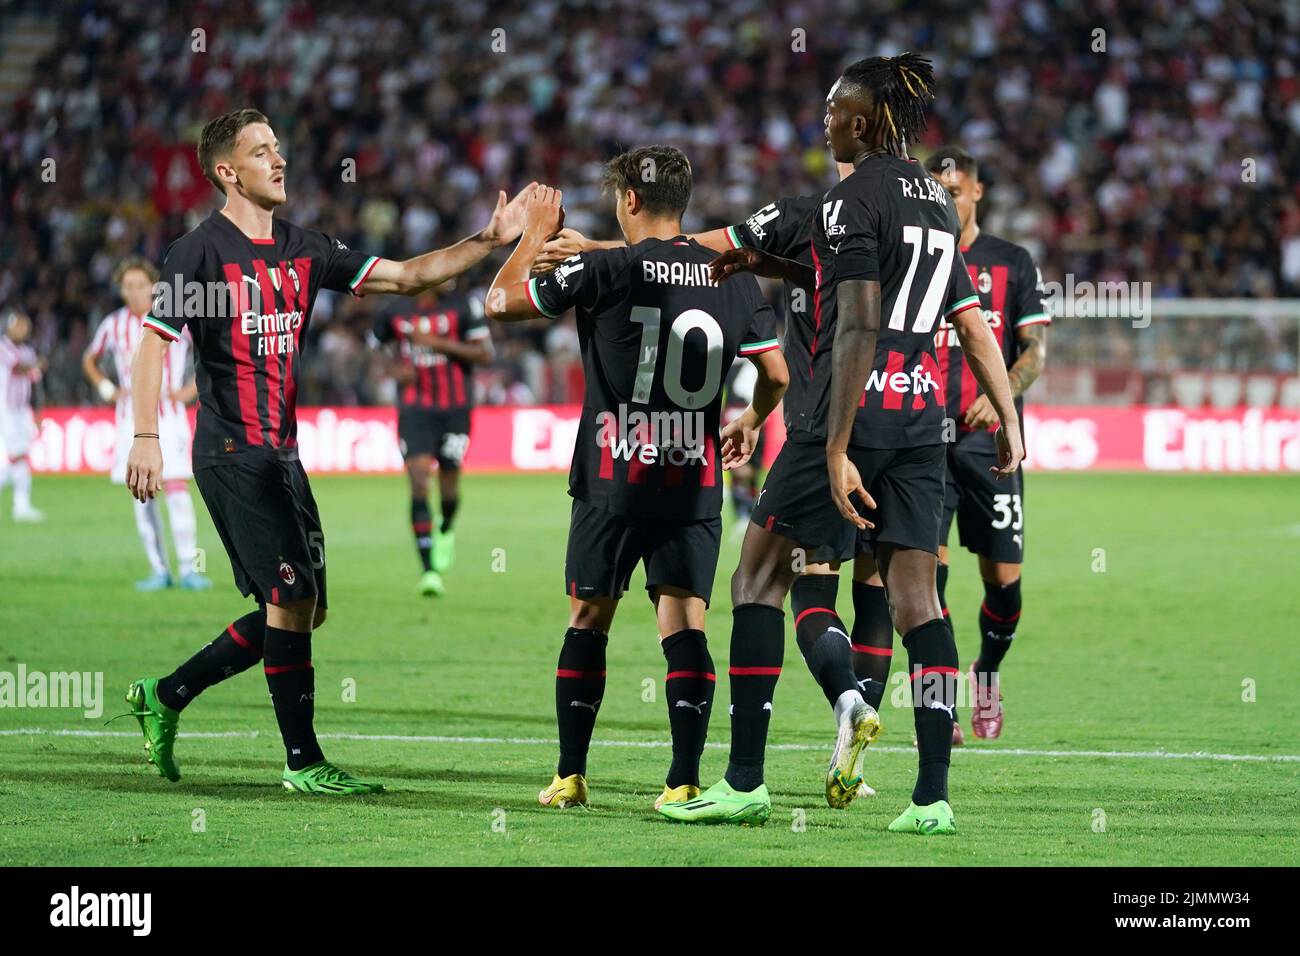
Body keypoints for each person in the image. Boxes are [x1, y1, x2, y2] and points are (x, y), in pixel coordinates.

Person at [119, 106, 536, 794]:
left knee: (305, 609)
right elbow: (153, 342)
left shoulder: (304, 248)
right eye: (261, 151)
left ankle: (166, 695)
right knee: (289, 600)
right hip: (230, 451)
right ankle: (302, 762)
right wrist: (144, 437)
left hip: (283, 454)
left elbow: (406, 277)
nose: (279, 159)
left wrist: (488, 239)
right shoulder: (198, 252)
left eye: (279, 147)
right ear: (228, 171)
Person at [666, 55, 1023, 835]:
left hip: (847, 415)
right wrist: (1011, 420)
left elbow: (858, 319)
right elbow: (967, 321)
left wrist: (832, 445)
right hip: (923, 422)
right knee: (917, 604)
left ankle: (744, 781)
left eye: (832, 108)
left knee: (757, 578)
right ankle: (932, 798)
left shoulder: (848, 197)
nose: (822, 119)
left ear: (860, 122)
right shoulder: (933, 200)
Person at [485, 147, 788, 814]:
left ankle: (570, 776)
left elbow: (498, 302)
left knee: (589, 616)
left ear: (627, 201)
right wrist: (752, 419)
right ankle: (682, 781)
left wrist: (534, 231)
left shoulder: (605, 268)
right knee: (685, 624)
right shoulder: (732, 276)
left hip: (612, 475)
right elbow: (778, 378)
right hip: (694, 479)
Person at [925, 145, 1050, 740]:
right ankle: (940, 702)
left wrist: (1000, 399)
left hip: (990, 446)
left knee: (1004, 582)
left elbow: (1035, 353)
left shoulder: (1012, 261)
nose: (945, 202)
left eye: (953, 193)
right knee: (927, 580)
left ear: (975, 193)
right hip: (922, 440)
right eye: (936, 194)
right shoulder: (916, 258)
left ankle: (987, 673)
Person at [84, 257, 211, 591]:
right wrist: (107, 388)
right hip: (131, 421)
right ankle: (159, 570)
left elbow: (213, 353)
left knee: (178, 490)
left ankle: (191, 568)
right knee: (142, 494)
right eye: (128, 286)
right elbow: (90, 358)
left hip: (171, 419)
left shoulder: (176, 319)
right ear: (121, 290)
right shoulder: (113, 324)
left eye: (141, 285)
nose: (135, 292)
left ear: (154, 287)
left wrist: (190, 390)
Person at [369, 283, 492, 596]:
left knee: (449, 490)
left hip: (456, 409)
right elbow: (374, 346)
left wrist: (434, 343)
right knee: (419, 481)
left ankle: (446, 527)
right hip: (415, 409)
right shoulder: (394, 312)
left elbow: (484, 354)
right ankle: (429, 571)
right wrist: (393, 369)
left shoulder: (464, 305)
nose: (450, 277)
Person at [0, 309, 45, 523]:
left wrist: (37, 413)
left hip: (20, 409)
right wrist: (35, 366)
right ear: (9, 327)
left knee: (19, 456)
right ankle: (21, 506)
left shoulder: (28, 351)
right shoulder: (3, 347)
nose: (24, 329)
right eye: (20, 325)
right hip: (4, 409)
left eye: (26, 326)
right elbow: (18, 368)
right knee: (15, 456)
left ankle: (22, 506)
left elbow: (34, 385)